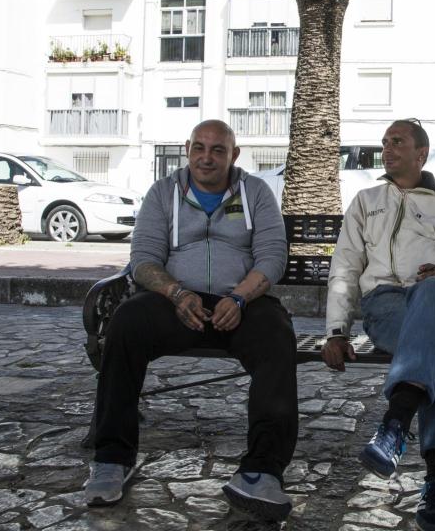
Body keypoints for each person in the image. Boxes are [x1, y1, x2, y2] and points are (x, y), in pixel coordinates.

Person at [84, 120, 298, 522]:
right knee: (126, 323)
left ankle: (261, 470)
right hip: (176, 302)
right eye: (199, 147)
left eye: (218, 149)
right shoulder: (163, 193)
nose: (207, 157)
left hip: (242, 303)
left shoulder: (256, 192)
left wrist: (239, 296)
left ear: (234, 155)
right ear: (187, 149)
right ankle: (112, 457)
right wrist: (176, 293)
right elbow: (143, 259)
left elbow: (273, 256)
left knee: (276, 334)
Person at [322, 119, 435, 531]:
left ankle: (395, 425)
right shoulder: (366, 201)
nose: (387, 148)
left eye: (397, 141)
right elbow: (345, 266)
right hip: (385, 306)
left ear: (421, 154)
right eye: (384, 142)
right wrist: (337, 330)